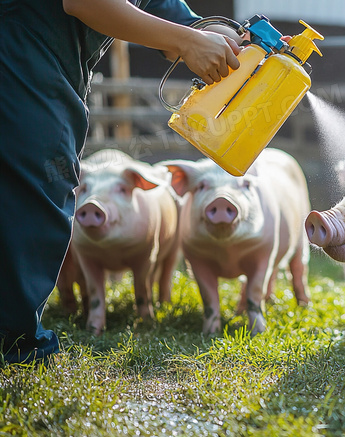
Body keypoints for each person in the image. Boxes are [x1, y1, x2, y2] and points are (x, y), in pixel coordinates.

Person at [0, 0, 243, 364]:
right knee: (38, 187)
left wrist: (208, 31)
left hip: (46, 57)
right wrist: (188, 41)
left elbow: (154, 3)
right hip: (21, 49)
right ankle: (14, 343)